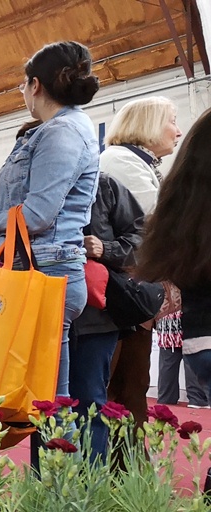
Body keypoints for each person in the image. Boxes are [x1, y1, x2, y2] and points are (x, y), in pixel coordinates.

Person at [0, 41, 100, 465]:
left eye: (24, 84)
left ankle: (59, 491)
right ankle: (52, 488)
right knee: (43, 396)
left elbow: (37, 214)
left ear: (35, 85)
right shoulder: (62, 131)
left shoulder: (61, 132)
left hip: (43, 271)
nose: (22, 92)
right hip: (41, 267)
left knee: (49, 400)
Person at [98, 96, 206, 418]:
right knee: (122, 390)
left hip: (130, 296)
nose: (178, 130)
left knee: (129, 389)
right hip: (120, 297)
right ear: (148, 125)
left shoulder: (137, 164)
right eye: (172, 120)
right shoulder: (122, 163)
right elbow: (161, 225)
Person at [68, 173, 145, 462]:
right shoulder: (29, 189)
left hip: (95, 314)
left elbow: (142, 239)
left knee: (90, 400)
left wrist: (104, 248)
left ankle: (92, 486)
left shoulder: (105, 186)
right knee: (46, 406)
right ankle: (47, 488)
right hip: (42, 311)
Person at [137, 107, 211, 406]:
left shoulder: (183, 198)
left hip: (198, 333)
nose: (177, 131)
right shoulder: (132, 168)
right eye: (171, 122)